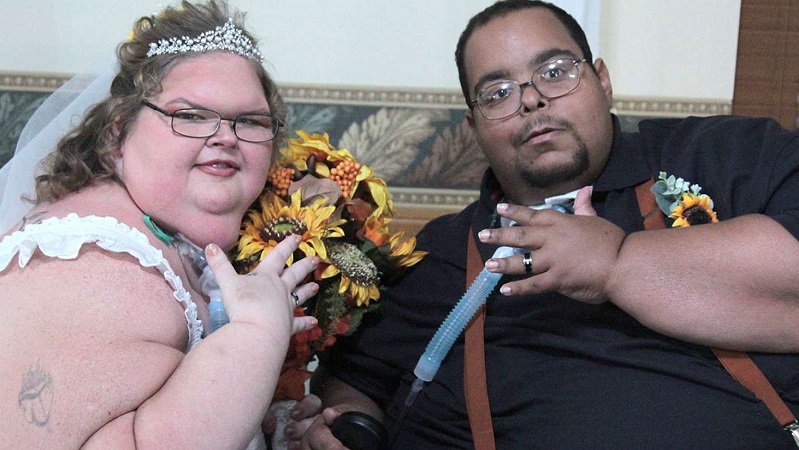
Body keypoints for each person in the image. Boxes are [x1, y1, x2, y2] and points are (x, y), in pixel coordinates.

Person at [285, 1, 799, 449]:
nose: (531, 100)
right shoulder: (435, 257)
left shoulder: (726, 157)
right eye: (497, 93)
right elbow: (358, 383)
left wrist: (617, 264)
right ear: (475, 128)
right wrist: (340, 424)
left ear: (602, 81)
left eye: (554, 71)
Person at [0, 1, 320, 448]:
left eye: (250, 121)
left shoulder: (160, 241)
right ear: (117, 133)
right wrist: (257, 333)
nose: (225, 136)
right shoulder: (100, 268)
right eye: (190, 115)